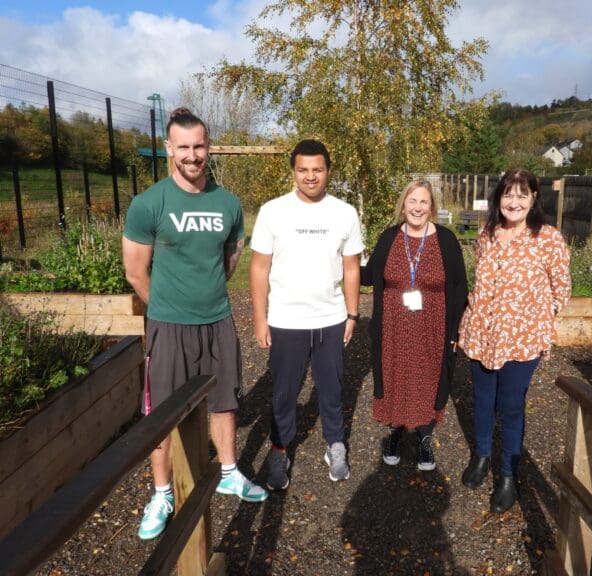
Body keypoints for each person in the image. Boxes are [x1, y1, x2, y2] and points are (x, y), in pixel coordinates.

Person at [122, 108, 267, 541]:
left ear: (209, 147)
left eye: (199, 146)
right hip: (168, 326)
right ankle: (162, 493)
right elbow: (135, 272)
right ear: (170, 149)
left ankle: (228, 471)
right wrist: (168, 305)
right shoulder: (149, 203)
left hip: (218, 321)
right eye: (182, 147)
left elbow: (232, 257)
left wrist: (205, 296)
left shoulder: (228, 203)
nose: (192, 155)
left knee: (225, 401)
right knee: (162, 417)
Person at [250, 139, 363, 490]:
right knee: (284, 392)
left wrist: (352, 314)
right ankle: (280, 448)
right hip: (286, 320)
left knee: (332, 388)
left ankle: (336, 444)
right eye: (303, 170)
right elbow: (258, 268)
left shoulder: (344, 212)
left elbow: (351, 267)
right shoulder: (273, 211)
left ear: (328, 171)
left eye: (317, 169)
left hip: (330, 319)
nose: (310, 177)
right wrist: (259, 317)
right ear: (293, 172)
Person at [458, 168, 571, 513]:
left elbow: (562, 289)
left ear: (534, 198)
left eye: (523, 195)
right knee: (482, 399)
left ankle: (507, 474)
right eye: (509, 194)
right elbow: (481, 283)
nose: (515, 202)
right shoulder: (486, 235)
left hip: (521, 340)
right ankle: (480, 456)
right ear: (499, 198)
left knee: (509, 406)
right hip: (482, 333)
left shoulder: (548, 238)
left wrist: (536, 318)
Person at [361, 180, 467, 470]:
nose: (418, 208)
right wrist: (339, 261)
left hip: (432, 325)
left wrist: (456, 331)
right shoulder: (389, 237)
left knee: (428, 376)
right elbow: (369, 275)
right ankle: (394, 431)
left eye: (423, 202)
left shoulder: (446, 239)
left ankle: (423, 437)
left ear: (431, 207)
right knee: (394, 373)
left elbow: (459, 288)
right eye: (412, 201)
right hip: (393, 325)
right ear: (403, 204)